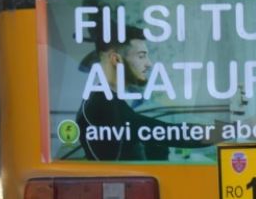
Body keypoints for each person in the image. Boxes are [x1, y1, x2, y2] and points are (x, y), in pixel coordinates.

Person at [74, 27, 213, 161]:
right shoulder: (104, 102)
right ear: (116, 60)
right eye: (141, 56)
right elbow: (168, 133)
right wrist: (222, 132)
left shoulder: (103, 98)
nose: (149, 63)